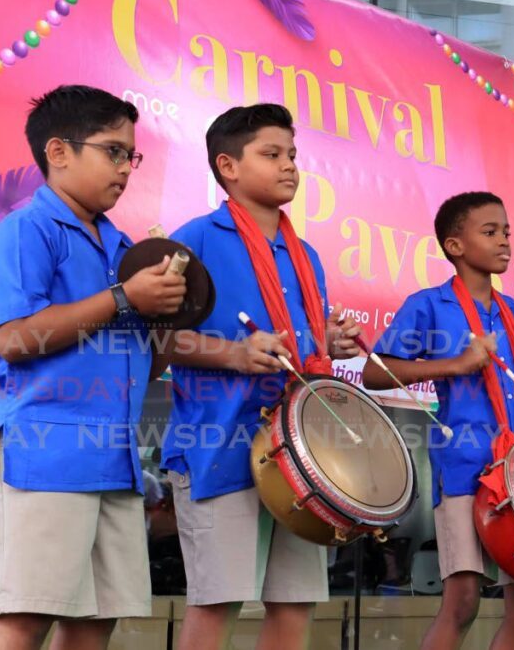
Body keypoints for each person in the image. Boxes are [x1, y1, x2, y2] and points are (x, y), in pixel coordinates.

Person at [0, 84, 186, 650]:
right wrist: (124, 297)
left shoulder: (121, 247)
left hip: (114, 458)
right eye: (113, 151)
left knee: (95, 620)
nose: (125, 168)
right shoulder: (21, 233)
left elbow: (150, 359)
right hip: (45, 449)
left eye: (131, 156)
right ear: (59, 152)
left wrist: (169, 312)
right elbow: (17, 338)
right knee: (25, 615)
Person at [163, 103, 360, 650]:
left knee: (294, 608)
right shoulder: (196, 239)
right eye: (271, 154)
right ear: (227, 166)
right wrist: (233, 353)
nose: (289, 165)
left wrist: (330, 344)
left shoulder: (307, 257)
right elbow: (152, 340)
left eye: (292, 154)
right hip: (219, 445)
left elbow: (307, 348)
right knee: (217, 605)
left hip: (302, 455)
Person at [362, 192, 514, 650]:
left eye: (505, 231)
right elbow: (373, 371)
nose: (504, 241)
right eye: (490, 232)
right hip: (466, 468)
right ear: (455, 245)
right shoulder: (429, 304)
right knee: (462, 600)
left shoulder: (508, 314)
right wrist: (456, 364)